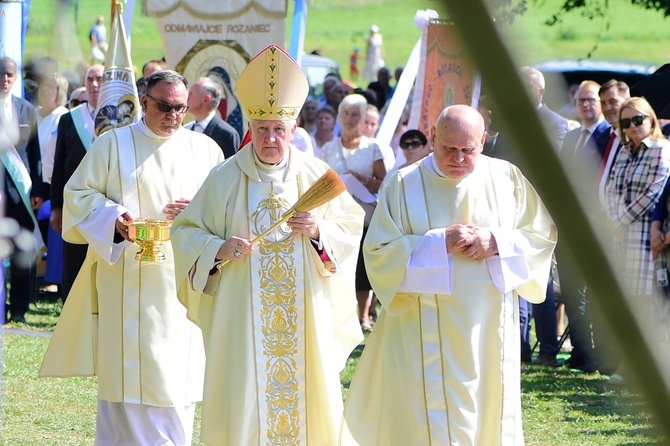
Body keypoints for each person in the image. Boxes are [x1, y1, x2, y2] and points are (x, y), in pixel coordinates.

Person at [170, 44, 364, 446]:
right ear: (250, 130)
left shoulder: (317, 176)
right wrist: (219, 249)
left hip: (304, 314)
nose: (271, 138)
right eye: (262, 129)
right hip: (242, 317)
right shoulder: (224, 177)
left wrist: (317, 233)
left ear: (293, 130)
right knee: (245, 404)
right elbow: (185, 231)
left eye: (279, 129)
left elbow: (349, 225)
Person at [342, 104, 557, 445]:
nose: (458, 158)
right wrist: (437, 242)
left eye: (467, 151)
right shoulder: (404, 183)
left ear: (483, 141)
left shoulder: (507, 179)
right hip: (420, 329)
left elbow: (541, 236)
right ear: (433, 139)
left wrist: (496, 241)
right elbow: (379, 252)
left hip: (488, 327)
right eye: (449, 149)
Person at [40, 70, 225, 445]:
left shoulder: (206, 151)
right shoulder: (113, 145)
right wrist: (113, 217)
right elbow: (78, 196)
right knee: (125, 390)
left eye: (180, 108)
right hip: (125, 282)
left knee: (174, 384)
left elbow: (225, 210)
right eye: (164, 106)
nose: (173, 115)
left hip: (182, 288)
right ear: (144, 102)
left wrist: (198, 209)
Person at [606, 97, 670, 384]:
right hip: (621, 239)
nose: (632, 127)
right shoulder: (622, 150)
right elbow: (610, 189)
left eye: (638, 119)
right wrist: (613, 219)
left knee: (646, 304)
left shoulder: (662, 150)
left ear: (651, 119)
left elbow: (655, 192)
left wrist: (619, 220)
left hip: (646, 238)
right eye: (626, 122)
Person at [319, 93, 387, 332]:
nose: (349, 119)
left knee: (362, 269)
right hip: (335, 219)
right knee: (338, 265)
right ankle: (338, 315)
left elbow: (383, 181)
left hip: (365, 217)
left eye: (355, 115)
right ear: (339, 116)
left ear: (362, 119)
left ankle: (363, 315)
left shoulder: (372, 148)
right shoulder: (328, 149)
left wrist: (364, 180)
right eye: (346, 114)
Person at [557, 80, 611, 372]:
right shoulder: (571, 137)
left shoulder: (610, 136)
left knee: (595, 293)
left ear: (600, 103)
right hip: (570, 225)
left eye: (591, 100)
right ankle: (581, 352)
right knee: (571, 291)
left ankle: (600, 353)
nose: (586, 105)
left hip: (598, 225)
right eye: (581, 101)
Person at [50, 64, 103, 303]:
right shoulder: (69, 119)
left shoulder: (123, 119)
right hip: (75, 204)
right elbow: (59, 165)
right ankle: (69, 310)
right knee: (73, 259)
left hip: (107, 205)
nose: (94, 84)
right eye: (89, 79)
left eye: (99, 79)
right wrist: (56, 207)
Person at [0, 57, 47, 324]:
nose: (4, 80)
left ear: (15, 77)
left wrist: (38, 189)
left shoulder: (27, 110)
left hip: (21, 195)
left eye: (8, 75)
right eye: (0, 75)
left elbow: (35, 153)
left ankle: (18, 309)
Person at [36, 73, 70, 293]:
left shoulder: (62, 116)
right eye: (44, 87)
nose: (47, 91)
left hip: (51, 186)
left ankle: (53, 278)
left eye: (52, 88)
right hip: (30, 181)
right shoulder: (36, 116)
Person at [187, 76, 240, 158]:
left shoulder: (227, 134)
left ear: (206, 99)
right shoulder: (187, 129)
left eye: (191, 93)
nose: (187, 97)